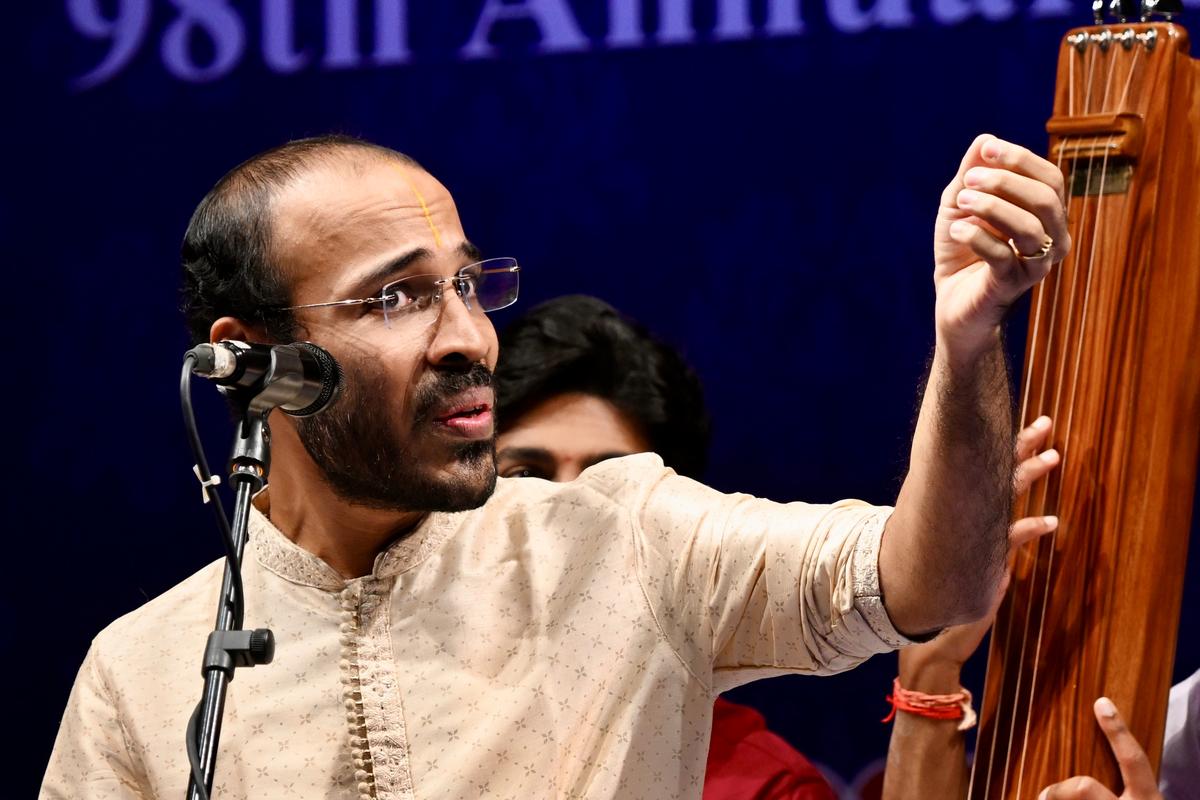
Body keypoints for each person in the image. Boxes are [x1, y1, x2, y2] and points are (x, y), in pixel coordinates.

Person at [41, 131, 1069, 799]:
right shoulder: (142, 674)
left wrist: (968, 340)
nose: (469, 337)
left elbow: (932, 578)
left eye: (465, 284)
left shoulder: (627, 538)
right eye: (396, 297)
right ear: (259, 360)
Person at [494, 293, 832, 799]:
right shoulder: (391, 722)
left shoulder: (763, 787)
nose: (560, 512)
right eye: (526, 474)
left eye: (607, 482)